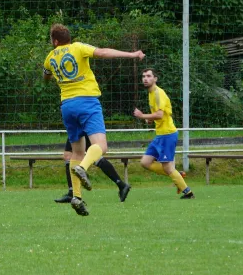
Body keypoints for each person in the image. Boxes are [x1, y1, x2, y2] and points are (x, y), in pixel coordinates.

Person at [43, 23, 144, 216]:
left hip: (67, 106)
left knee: (75, 152)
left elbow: (46, 76)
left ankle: (77, 197)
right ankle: (83, 168)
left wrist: (50, 77)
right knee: (101, 146)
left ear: (55, 41)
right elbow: (103, 52)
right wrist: (132, 54)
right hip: (87, 102)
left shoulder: (50, 58)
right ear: (67, 38)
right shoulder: (78, 47)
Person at [133, 68, 194, 199]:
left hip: (168, 134)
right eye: (143, 76)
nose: (145, 78)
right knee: (145, 162)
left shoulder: (158, 93)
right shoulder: (151, 94)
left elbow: (160, 114)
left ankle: (188, 193)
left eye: (149, 76)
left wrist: (142, 115)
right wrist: (150, 118)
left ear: (155, 79)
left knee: (167, 167)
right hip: (160, 135)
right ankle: (177, 174)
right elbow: (160, 114)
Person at [54, 134, 131, 204]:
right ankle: (72, 192)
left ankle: (121, 184)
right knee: (68, 156)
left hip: (82, 122)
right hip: (77, 122)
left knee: (92, 156)